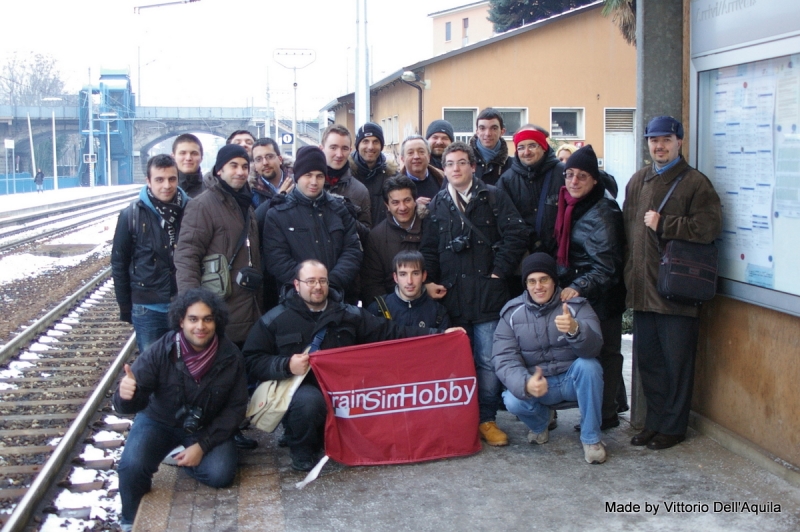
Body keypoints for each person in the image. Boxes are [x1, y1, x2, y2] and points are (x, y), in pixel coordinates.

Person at [242, 260, 462, 471]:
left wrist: (439, 335)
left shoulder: (349, 314)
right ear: (297, 285)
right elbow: (252, 359)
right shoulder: (275, 319)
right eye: (310, 281)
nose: (317, 286)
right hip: (303, 390)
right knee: (308, 404)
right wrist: (285, 365)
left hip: (346, 389)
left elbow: (392, 332)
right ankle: (302, 449)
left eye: (322, 280)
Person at [623, 116, 722, 450]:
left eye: (665, 139)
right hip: (642, 289)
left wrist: (667, 223)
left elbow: (708, 228)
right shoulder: (638, 180)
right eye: (653, 140)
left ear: (680, 141)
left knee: (676, 364)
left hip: (677, 290)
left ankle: (674, 427)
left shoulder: (695, 183)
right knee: (649, 363)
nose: (659, 146)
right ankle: (654, 422)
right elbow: (628, 232)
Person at [420, 141, 528, 447]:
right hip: (451, 296)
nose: (456, 168)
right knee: (455, 360)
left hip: (488, 294)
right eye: (450, 163)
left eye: (462, 162)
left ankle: (486, 419)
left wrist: (499, 271)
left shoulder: (492, 197)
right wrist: (429, 282)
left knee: (488, 360)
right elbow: (428, 249)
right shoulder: (437, 205)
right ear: (444, 168)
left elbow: (516, 233)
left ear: (473, 166)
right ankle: (459, 420)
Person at [114, 288, 247, 530]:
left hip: (205, 426)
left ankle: (181, 456)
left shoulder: (230, 355)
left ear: (216, 320)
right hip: (159, 421)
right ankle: (129, 520)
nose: (201, 326)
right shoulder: (160, 350)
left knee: (221, 474)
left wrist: (202, 446)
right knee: (132, 466)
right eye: (193, 319)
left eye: (207, 319)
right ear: (181, 321)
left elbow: (236, 409)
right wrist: (126, 396)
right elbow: (132, 403)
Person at [493, 253, 606, 464]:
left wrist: (575, 330)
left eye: (544, 279)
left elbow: (595, 347)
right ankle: (540, 424)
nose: (538, 287)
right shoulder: (511, 313)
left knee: (589, 367)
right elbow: (504, 357)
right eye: (532, 281)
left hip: (571, 380)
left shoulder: (576, 305)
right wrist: (526, 383)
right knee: (511, 398)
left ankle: (591, 438)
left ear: (554, 281)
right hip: (539, 385)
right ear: (525, 284)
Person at [554, 145, 626, 431]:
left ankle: (605, 415)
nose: (573, 181)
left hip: (602, 298)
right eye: (569, 174)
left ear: (595, 179)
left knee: (604, 356)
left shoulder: (603, 211)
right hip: (586, 295)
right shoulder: (571, 204)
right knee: (595, 356)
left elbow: (607, 266)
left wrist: (578, 286)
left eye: (581, 176)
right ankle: (602, 411)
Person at [174, 144, 262, 349]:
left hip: (248, 308)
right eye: (233, 165)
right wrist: (193, 306)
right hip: (218, 308)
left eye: (244, 166)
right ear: (219, 169)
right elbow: (187, 257)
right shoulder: (202, 205)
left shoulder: (245, 204)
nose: (240, 172)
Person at [262, 146, 362, 299]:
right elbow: (277, 259)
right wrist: (309, 285)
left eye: (319, 176)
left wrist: (331, 283)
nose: (314, 182)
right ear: (298, 176)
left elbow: (352, 251)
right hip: (295, 301)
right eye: (308, 175)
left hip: (338, 296)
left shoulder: (339, 209)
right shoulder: (278, 214)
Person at [112, 154, 188, 353]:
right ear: (148, 181)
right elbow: (119, 263)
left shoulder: (190, 210)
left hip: (185, 305)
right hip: (148, 308)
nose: (166, 185)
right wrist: (125, 307)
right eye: (159, 179)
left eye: (172, 179)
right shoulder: (132, 215)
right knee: (152, 367)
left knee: (186, 367)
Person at [497, 127, 565, 258]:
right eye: (521, 147)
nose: (526, 152)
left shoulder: (563, 173)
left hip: (562, 253)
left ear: (543, 147)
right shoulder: (507, 180)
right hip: (524, 254)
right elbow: (505, 219)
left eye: (532, 145)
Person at [360, 176, 426, 302]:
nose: (402, 207)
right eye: (395, 202)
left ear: (414, 201)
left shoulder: (430, 227)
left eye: (407, 200)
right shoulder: (376, 237)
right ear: (387, 205)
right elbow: (372, 283)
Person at [367, 250, 450, 332]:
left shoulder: (438, 313)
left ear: (424, 276)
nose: (409, 281)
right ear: (395, 277)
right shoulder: (377, 309)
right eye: (403, 274)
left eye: (415, 273)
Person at [320, 124, 372, 241]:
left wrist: (347, 217)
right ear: (321, 149)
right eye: (333, 147)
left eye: (344, 148)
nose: (339, 154)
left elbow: (367, 235)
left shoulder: (360, 190)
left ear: (350, 150)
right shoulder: (307, 185)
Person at [349, 122, 398, 227]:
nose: (370, 147)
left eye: (375, 142)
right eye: (365, 141)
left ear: (381, 146)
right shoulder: (347, 175)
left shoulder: (392, 176)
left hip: (383, 240)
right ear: (357, 145)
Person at [469, 108, 512, 186]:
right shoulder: (465, 162)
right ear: (477, 132)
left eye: (494, 128)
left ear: (502, 132)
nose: (488, 133)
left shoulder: (512, 165)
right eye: (482, 128)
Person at [398, 134, 444, 206]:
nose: (416, 156)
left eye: (421, 152)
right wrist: (412, 205)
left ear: (429, 157)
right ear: (402, 159)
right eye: (410, 153)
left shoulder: (442, 178)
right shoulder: (394, 184)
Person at [250, 137, 293, 208]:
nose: (265, 163)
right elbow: (254, 218)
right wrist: (277, 198)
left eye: (269, 156)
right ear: (255, 165)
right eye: (258, 159)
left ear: (280, 159)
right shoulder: (251, 191)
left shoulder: (297, 181)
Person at [172, 133, 205, 198]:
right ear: (173, 157)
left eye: (194, 153)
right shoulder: (164, 190)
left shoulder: (213, 192)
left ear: (201, 158)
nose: (188, 158)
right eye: (182, 153)